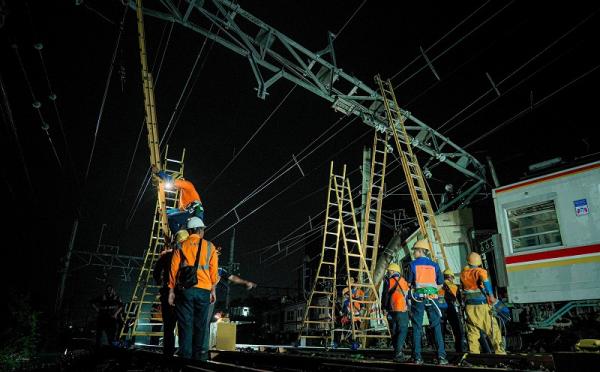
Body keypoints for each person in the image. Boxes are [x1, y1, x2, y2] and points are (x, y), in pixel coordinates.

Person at [168, 217, 218, 361]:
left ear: (189, 231)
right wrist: (213, 290)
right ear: (200, 230)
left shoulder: (181, 245)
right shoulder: (210, 246)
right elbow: (214, 272)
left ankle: (185, 359)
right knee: (201, 325)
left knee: (185, 324)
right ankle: (199, 358)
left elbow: (173, 269)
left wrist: (171, 291)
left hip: (186, 290)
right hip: (204, 290)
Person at [407, 239, 448, 365]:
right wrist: (432, 291)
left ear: (420, 251)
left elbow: (409, 283)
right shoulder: (435, 265)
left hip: (418, 298)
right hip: (432, 298)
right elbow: (440, 283)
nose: (414, 253)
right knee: (436, 326)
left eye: (415, 251)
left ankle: (417, 357)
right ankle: (441, 357)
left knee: (417, 327)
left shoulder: (412, 265)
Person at [460, 252, 506, 354]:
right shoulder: (481, 271)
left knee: (473, 332)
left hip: (469, 307)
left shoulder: (463, 274)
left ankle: (474, 354)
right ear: (479, 262)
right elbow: (486, 283)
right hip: (482, 306)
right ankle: (500, 353)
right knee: (493, 330)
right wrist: (491, 296)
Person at [152, 230, 189, 355]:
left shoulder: (166, 256)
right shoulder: (192, 256)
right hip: (185, 296)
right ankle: (185, 355)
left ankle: (168, 356)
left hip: (168, 293)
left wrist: (160, 281)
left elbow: (156, 273)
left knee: (169, 328)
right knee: (185, 327)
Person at [153, 169, 205, 235]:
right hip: (191, 212)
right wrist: (165, 211)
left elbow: (172, 181)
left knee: (171, 219)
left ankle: (178, 238)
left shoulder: (187, 184)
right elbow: (180, 210)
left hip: (194, 211)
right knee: (170, 216)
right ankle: (180, 237)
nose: (175, 187)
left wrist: (159, 173)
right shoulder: (182, 194)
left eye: (175, 185)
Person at [381, 262, 411, 362]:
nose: (388, 272)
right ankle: (398, 353)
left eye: (389, 271)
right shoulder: (405, 281)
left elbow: (385, 295)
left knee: (394, 331)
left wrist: (383, 308)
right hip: (403, 309)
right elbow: (408, 296)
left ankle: (397, 352)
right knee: (402, 330)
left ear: (393, 271)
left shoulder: (388, 281)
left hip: (392, 309)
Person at [442, 269, 467, 353]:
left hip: (441, 309)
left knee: (441, 330)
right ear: (451, 277)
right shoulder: (455, 286)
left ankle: (441, 351)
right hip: (451, 308)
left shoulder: (439, 285)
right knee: (458, 330)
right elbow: (460, 302)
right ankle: (460, 349)